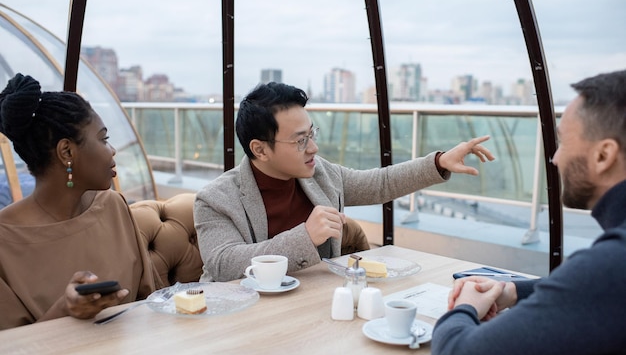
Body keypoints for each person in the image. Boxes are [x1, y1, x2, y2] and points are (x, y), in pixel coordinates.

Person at [430, 70, 626, 355]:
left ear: (604, 155)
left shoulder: (612, 266)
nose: (553, 158)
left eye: (562, 142)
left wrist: (465, 307)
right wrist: (512, 292)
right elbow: (586, 293)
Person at [194, 82, 495, 282]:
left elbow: (379, 184)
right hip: (242, 323)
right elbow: (224, 265)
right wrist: (305, 236)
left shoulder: (320, 175)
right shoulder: (215, 199)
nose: (313, 147)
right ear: (260, 149)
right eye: (300, 140)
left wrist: (438, 162)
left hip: (314, 309)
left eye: (312, 133)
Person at [0, 73, 160, 331]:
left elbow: (149, 303)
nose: (112, 150)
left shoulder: (114, 206)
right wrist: (65, 309)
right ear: (67, 152)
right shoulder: (4, 240)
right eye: (103, 139)